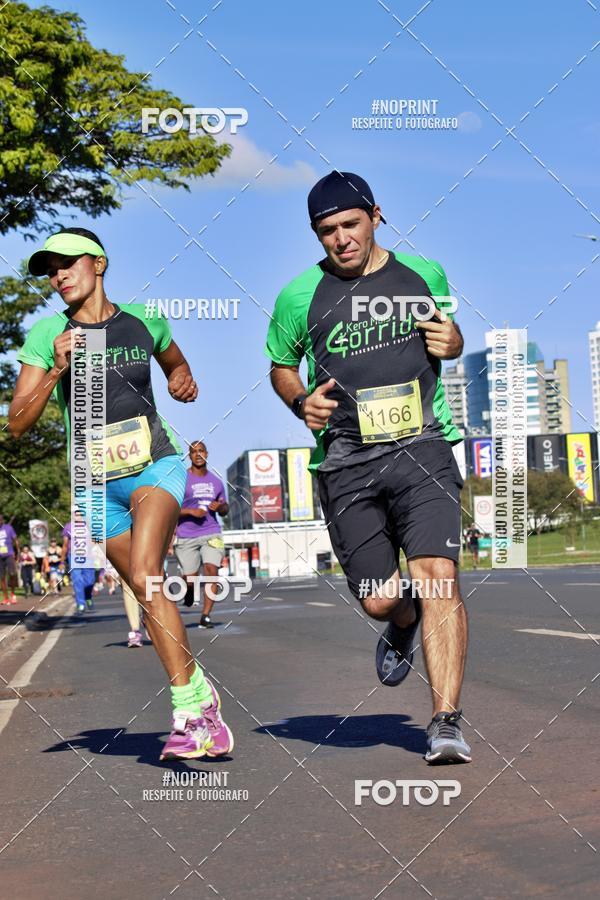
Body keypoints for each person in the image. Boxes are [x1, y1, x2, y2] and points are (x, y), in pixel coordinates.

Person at [265, 171, 471, 764]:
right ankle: (401, 620)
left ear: (376, 216)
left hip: (423, 445)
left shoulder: (422, 275)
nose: (341, 240)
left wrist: (452, 341)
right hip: (347, 461)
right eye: (327, 231)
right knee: (380, 599)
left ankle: (445, 721)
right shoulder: (298, 297)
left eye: (350, 225)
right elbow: (281, 364)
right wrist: (300, 400)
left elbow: (449, 340)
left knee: (438, 575)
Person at [9, 226, 233, 761]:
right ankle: (201, 697)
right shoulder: (47, 336)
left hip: (153, 464)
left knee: (148, 575)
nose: (58, 275)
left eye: (68, 263)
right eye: (50, 269)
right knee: (143, 582)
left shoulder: (143, 322)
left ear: (99, 264)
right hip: (91, 482)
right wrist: (58, 368)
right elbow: (17, 422)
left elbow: (175, 363)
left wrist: (183, 378)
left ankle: (185, 713)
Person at [174, 441, 229, 629]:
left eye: (201, 451)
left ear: (207, 453)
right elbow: (170, 509)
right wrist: (190, 512)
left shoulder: (216, 482)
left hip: (211, 532)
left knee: (212, 571)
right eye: (193, 451)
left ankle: (205, 615)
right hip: (186, 534)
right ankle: (189, 589)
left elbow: (225, 509)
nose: (198, 454)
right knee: (191, 579)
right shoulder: (182, 479)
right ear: (189, 456)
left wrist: (221, 507)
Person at [61, 518, 96, 615]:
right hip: (73, 555)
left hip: (87, 555)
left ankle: (88, 596)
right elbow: (65, 544)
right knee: (77, 580)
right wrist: (61, 561)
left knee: (90, 580)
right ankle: (80, 604)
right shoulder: (68, 526)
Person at [0, 514, 19, 604]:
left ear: (2, 520)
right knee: (2, 577)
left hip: (9, 554)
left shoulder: (8, 528)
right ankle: (5, 598)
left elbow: (15, 540)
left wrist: (18, 552)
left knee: (12, 574)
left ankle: (12, 594)